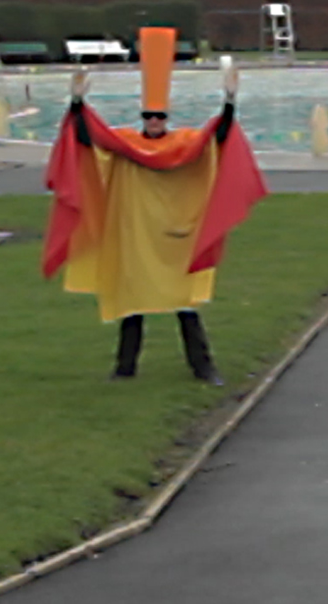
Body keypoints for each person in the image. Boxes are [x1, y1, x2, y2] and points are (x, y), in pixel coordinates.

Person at [42, 29, 267, 384]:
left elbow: (217, 139)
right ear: (142, 117)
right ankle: (125, 368)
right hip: (137, 236)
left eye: (159, 115)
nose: (154, 121)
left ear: (167, 118)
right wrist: (76, 105)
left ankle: (203, 366)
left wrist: (229, 104)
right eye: (148, 115)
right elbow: (88, 139)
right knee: (133, 307)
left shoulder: (185, 144)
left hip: (174, 237)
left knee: (184, 305)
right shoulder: (126, 142)